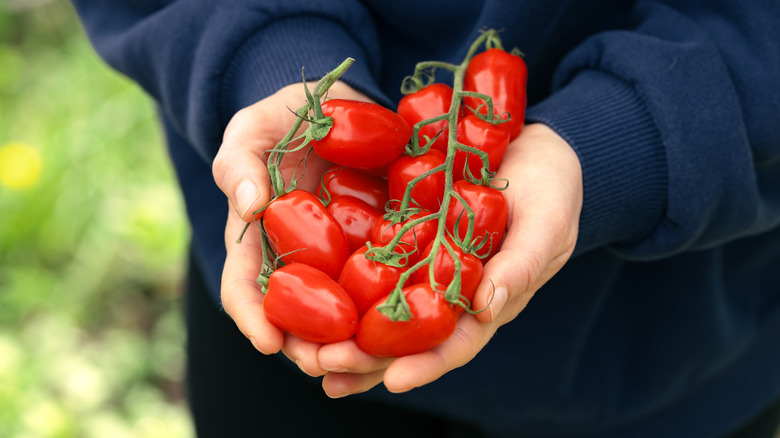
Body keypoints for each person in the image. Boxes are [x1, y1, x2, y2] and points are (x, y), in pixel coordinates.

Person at [71, 1, 780, 437]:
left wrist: (619, 138)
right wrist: (271, 53)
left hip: (673, 350)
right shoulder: (402, 233)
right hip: (283, 381)